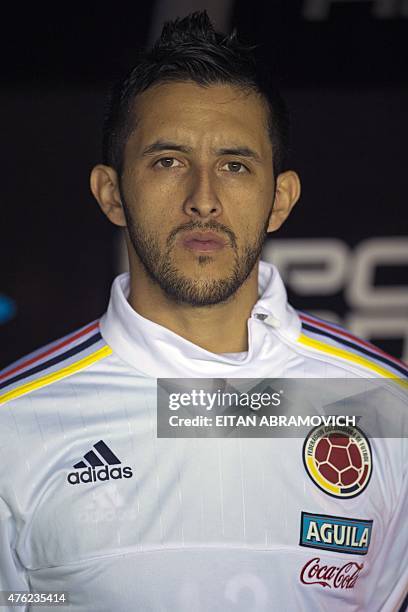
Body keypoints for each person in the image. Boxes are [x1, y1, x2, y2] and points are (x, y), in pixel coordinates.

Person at [0, 11, 407, 612]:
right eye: (168, 161)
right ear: (112, 192)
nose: (204, 200)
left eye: (235, 165)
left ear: (280, 199)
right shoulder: (15, 423)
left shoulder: (386, 404)